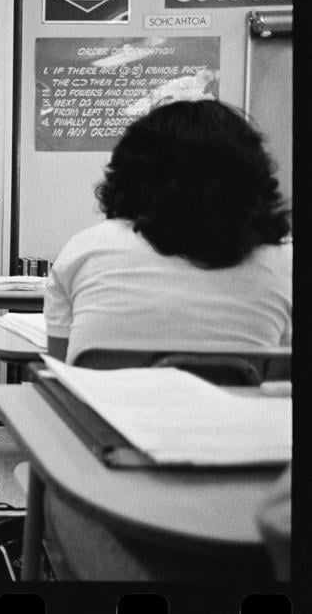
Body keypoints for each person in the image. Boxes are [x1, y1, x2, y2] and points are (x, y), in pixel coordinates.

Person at [41, 99, 292, 580]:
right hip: (248, 493)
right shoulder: (283, 262)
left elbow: (60, 385)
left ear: (129, 172)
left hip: (109, 482)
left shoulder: (86, 250)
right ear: (251, 176)